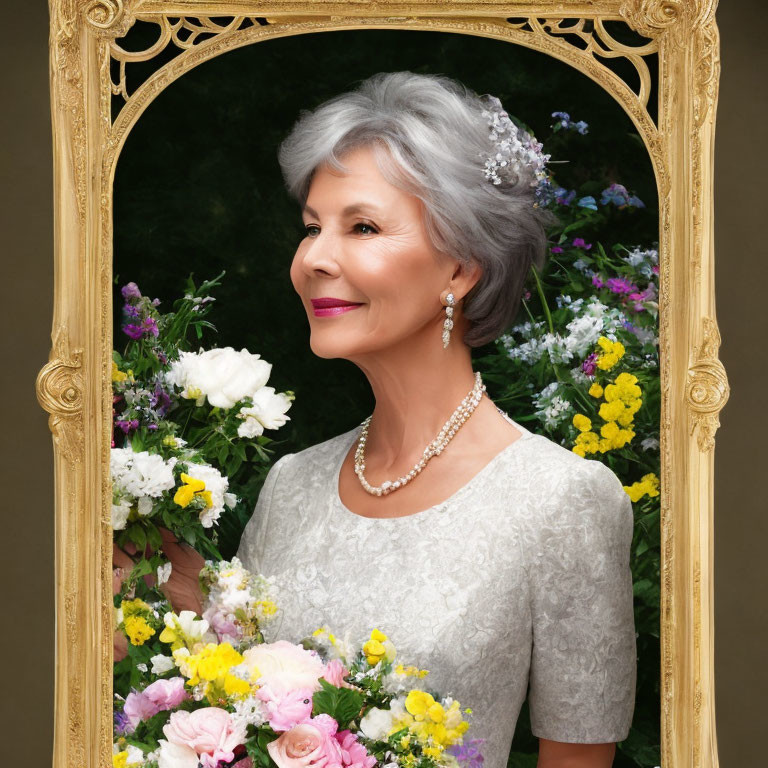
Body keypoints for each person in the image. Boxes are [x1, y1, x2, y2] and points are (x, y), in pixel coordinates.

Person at [144, 72, 638, 768]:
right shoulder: (293, 485)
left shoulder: (562, 501)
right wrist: (184, 605)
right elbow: (241, 718)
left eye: (363, 227)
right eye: (312, 227)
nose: (313, 258)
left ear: (461, 268)